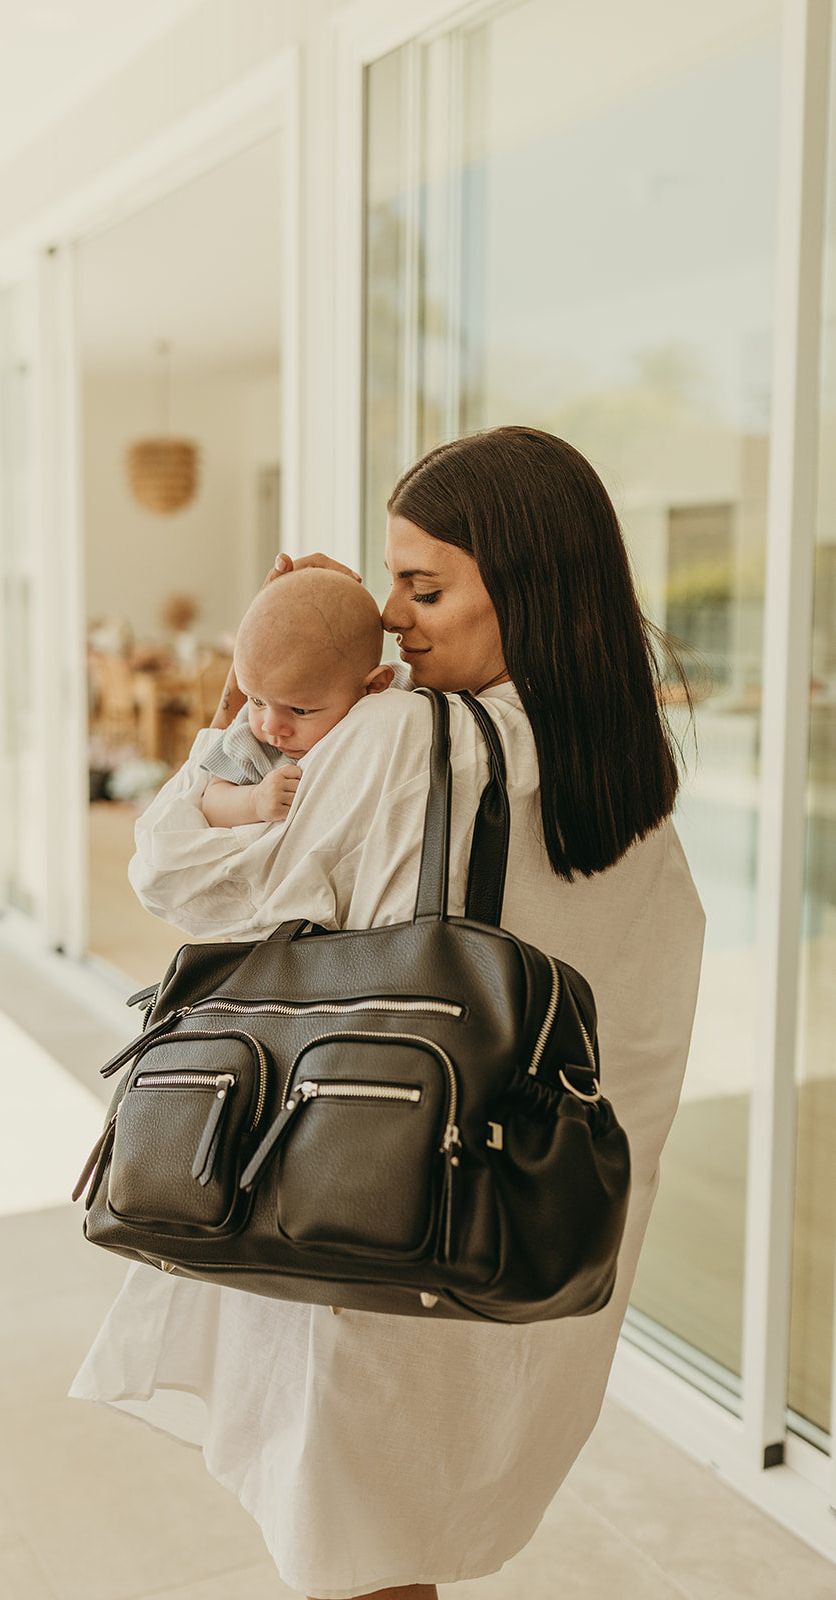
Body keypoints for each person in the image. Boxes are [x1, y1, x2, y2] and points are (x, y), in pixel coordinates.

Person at [71, 425, 705, 1600]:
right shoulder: (627, 772)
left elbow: (175, 876)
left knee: (355, 1557)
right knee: (413, 1541)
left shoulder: (398, 738)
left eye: (425, 586)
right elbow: (647, 1022)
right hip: (527, 1235)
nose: (394, 617)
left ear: (525, 586)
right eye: (388, 581)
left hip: (369, 1212)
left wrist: (248, 708)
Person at [199, 566, 395, 827]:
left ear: (373, 687)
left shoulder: (394, 707)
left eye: (299, 710)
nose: (270, 726)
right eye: (257, 701)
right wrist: (256, 800)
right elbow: (211, 804)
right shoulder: (250, 741)